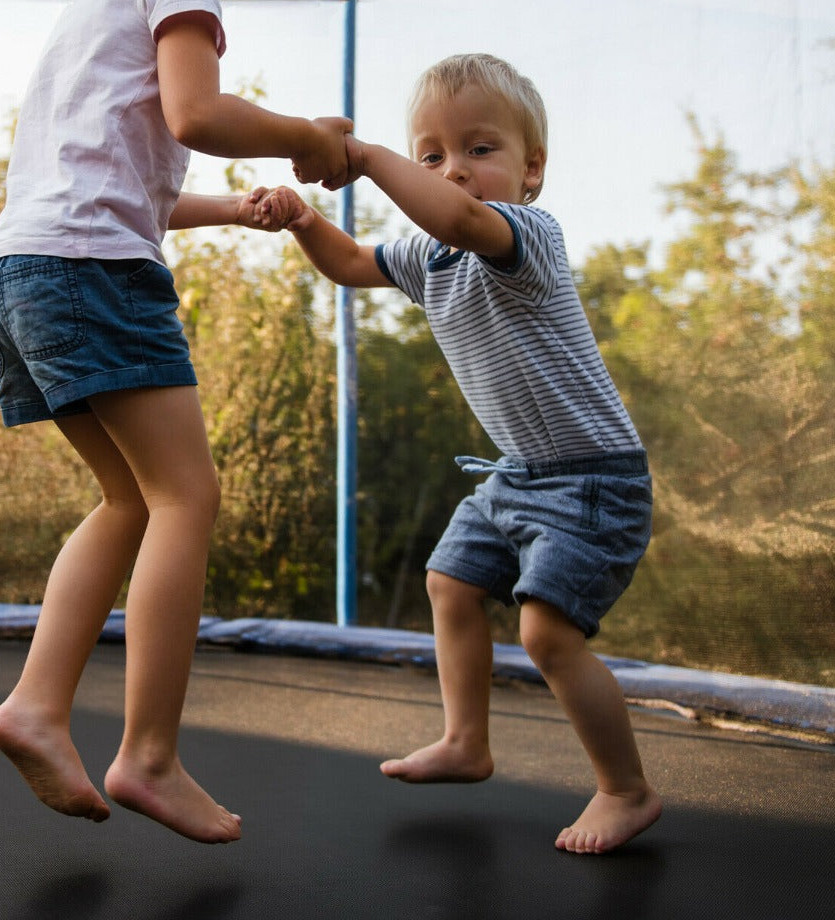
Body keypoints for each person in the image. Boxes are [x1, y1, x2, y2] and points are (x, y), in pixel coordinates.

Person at [0, 0, 350, 845]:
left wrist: (237, 207)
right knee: (187, 497)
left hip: (17, 270)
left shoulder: (90, 2)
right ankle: (150, 754)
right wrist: (307, 137)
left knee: (128, 500)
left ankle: (36, 707)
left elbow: (137, 180)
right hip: (89, 273)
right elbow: (198, 115)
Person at [267, 53, 662, 854]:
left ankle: (626, 790)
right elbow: (350, 265)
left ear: (530, 171)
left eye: (480, 150)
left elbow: (456, 219)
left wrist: (373, 157)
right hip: (516, 474)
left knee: (548, 636)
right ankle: (466, 742)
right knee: (449, 581)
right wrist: (308, 222)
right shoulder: (426, 259)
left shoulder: (526, 235)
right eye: (433, 155)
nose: (455, 172)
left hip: (593, 479)